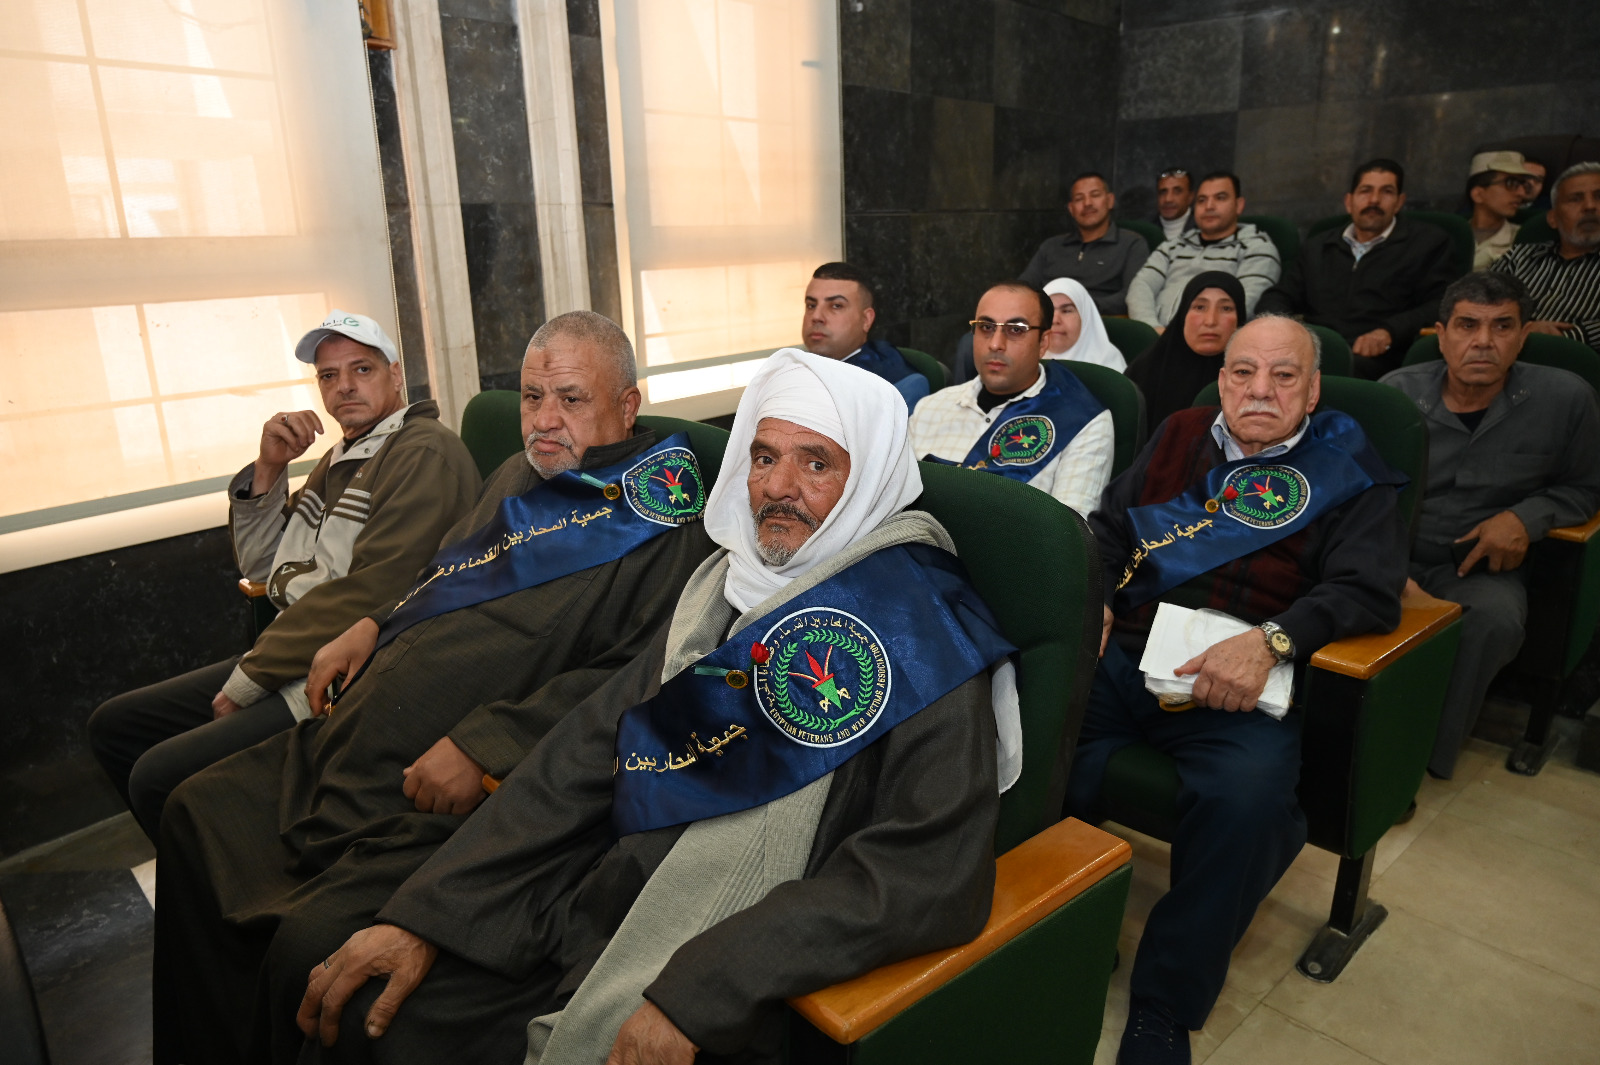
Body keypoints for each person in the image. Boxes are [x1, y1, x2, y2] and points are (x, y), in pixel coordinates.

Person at [292, 349, 1017, 1065]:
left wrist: (704, 988)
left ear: (871, 479)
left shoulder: (917, 630)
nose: (778, 487)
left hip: (732, 967)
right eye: (764, 457)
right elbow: (584, 749)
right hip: (595, 899)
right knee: (369, 1017)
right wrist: (429, 917)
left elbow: (926, 873)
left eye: (816, 463)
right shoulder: (722, 586)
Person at [151, 311, 723, 1065]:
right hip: (352, 732)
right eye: (531, 397)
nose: (544, 420)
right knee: (190, 812)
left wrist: (490, 743)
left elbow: (630, 682)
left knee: (304, 947)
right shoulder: (519, 474)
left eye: (571, 399)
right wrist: (373, 622)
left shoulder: (666, 522)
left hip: (431, 791)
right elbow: (444, 574)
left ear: (627, 404)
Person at [1073, 315, 1407, 1065]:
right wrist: (1097, 596)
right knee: (1023, 722)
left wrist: (1271, 642)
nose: (1260, 390)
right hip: (1125, 656)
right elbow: (1108, 530)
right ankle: (1059, 925)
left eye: (1283, 376)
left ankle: (1164, 1004)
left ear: (1313, 390)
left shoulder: (1349, 466)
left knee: (1249, 802)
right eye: (1243, 372)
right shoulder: (1179, 432)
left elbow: (1368, 590)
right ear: (1221, 380)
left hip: (1240, 683)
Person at [88, 311, 480, 839]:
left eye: (361, 369)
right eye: (328, 375)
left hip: (352, 670)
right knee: (116, 725)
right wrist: (269, 468)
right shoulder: (344, 455)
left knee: (157, 778)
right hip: (295, 648)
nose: (344, 386)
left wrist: (252, 678)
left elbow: (374, 592)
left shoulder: (422, 451)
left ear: (395, 375)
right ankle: (208, 857)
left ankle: (225, 875)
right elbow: (263, 567)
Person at [1382, 273, 1600, 778]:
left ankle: (1420, 762)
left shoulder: (1567, 399)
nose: (1483, 341)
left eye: (1502, 326)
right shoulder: (1395, 394)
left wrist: (1526, 516)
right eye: (1467, 325)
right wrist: (1385, 569)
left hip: (1481, 567)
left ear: (1523, 337)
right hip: (1393, 552)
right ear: (1441, 335)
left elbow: (1586, 488)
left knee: (1494, 620)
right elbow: (1358, 492)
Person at [910, 281, 1115, 515]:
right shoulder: (930, 408)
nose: (996, 344)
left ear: (1043, 342)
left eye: (1016, 329)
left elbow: (1071, 531)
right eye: (986, 327)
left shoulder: (1083, 422)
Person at [1257, 159, 1456, 380]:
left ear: (1399, 202)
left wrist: (1389, 332)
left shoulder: (1428, 243)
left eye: (1386, 192)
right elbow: (1280, 295)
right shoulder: (1319, 246)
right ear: (1349, 201)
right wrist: (1285, 330)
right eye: (1365, 191)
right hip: (1317, 349)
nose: (1374, 200)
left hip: (1382, 356)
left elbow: (1441, 303)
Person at [1127, 172, 1280, 330]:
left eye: (1220, 198)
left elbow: (1243, 306)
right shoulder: (1173, 245)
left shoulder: (1257, 248)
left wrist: (1179, 337)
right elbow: (1141, 286)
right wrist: (1151, 328)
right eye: (1202, 200)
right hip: (1156, 332)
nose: (1209, 206)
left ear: (1239, 205)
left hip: (1210, 338)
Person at [1491, 161, 1600, 353]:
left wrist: (1563, 336)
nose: (1590, 206)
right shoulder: (1520, 257)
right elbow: (1476, 300)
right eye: (1575, 199)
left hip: (1578, 362)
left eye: (1599, 197)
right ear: (1553, 219)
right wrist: (1522, 329)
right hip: (1502, 354)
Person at [1125, 272, 1247, 431]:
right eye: (1200, 307)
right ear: (1183, 314)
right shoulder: (1145, 369)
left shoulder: (1252, 378)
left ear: (1239, 319)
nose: (1210, 321)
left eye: (1226, 308)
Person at [801, 262, 928, 409]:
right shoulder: (788, 365)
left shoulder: (897, 387)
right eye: (811, 305)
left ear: (866, 320)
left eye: (836, 306)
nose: (816, 316)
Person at [1020, 172, 1150, 316]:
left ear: (1110, 201)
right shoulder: (1051, 246)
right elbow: (1023, 289)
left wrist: (1079, 306)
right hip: (1047, 319)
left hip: (1102, 320)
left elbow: (1132, 296)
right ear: (1071, 208)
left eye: (1095, 195)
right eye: (1079, 198)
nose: (1087, 203)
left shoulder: (1132, 244)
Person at [1467, 151, 1537, 270]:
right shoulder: (1451, 235)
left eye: (1522, 185)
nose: (1521, 193)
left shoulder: (1524, 239)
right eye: (1510, 183)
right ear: (1478, 194)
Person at [1043, 277, 1127, 371]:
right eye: (1049, 310)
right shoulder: (1031, 358)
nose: (1055, 320)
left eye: (1066, 311)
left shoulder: (1107, 363)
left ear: (1085, 317)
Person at [1155, 167, 1198, 243]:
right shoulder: (1144, 231)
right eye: (1163, 192)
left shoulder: (1204, 228)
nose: (1168, 199)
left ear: (1190, 197)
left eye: (1177, 192)